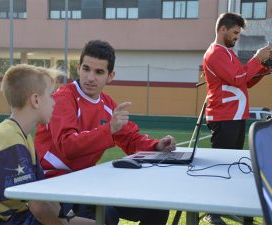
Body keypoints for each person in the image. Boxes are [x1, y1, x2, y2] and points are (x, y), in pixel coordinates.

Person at [34, 40, 176, 225]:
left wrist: (156, 145)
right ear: (78, 68)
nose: (90, 77)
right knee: (106, 214)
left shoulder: (107, 104)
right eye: (86, 69)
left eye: (99, 72)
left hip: (85, 180)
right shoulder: (63, 97)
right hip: (53, 183)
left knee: (156, 206)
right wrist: (108, 129)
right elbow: (67, 145)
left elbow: (131, 138)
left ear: (110, 76)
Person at [0, 64, 95, 225]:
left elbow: (44, 198)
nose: (54, 102)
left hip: (17, 217)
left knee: (102, 218)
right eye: (51, 95)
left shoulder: (22, 137)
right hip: (2, 220)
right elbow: (38, 209)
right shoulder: (9, 140)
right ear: (36, 100)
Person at [202, 12, 272, 225]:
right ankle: (210, 211)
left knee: (232, 166)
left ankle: (223, 207)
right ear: (222, 29)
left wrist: (263, 66)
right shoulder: (215, 52)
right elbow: (238, 77)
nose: (236, 37)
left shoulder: (227, 53)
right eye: (234, 33)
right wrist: (256, 59)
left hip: (234, 116)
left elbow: (245, 81)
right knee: (220, 167)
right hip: (224, 117)